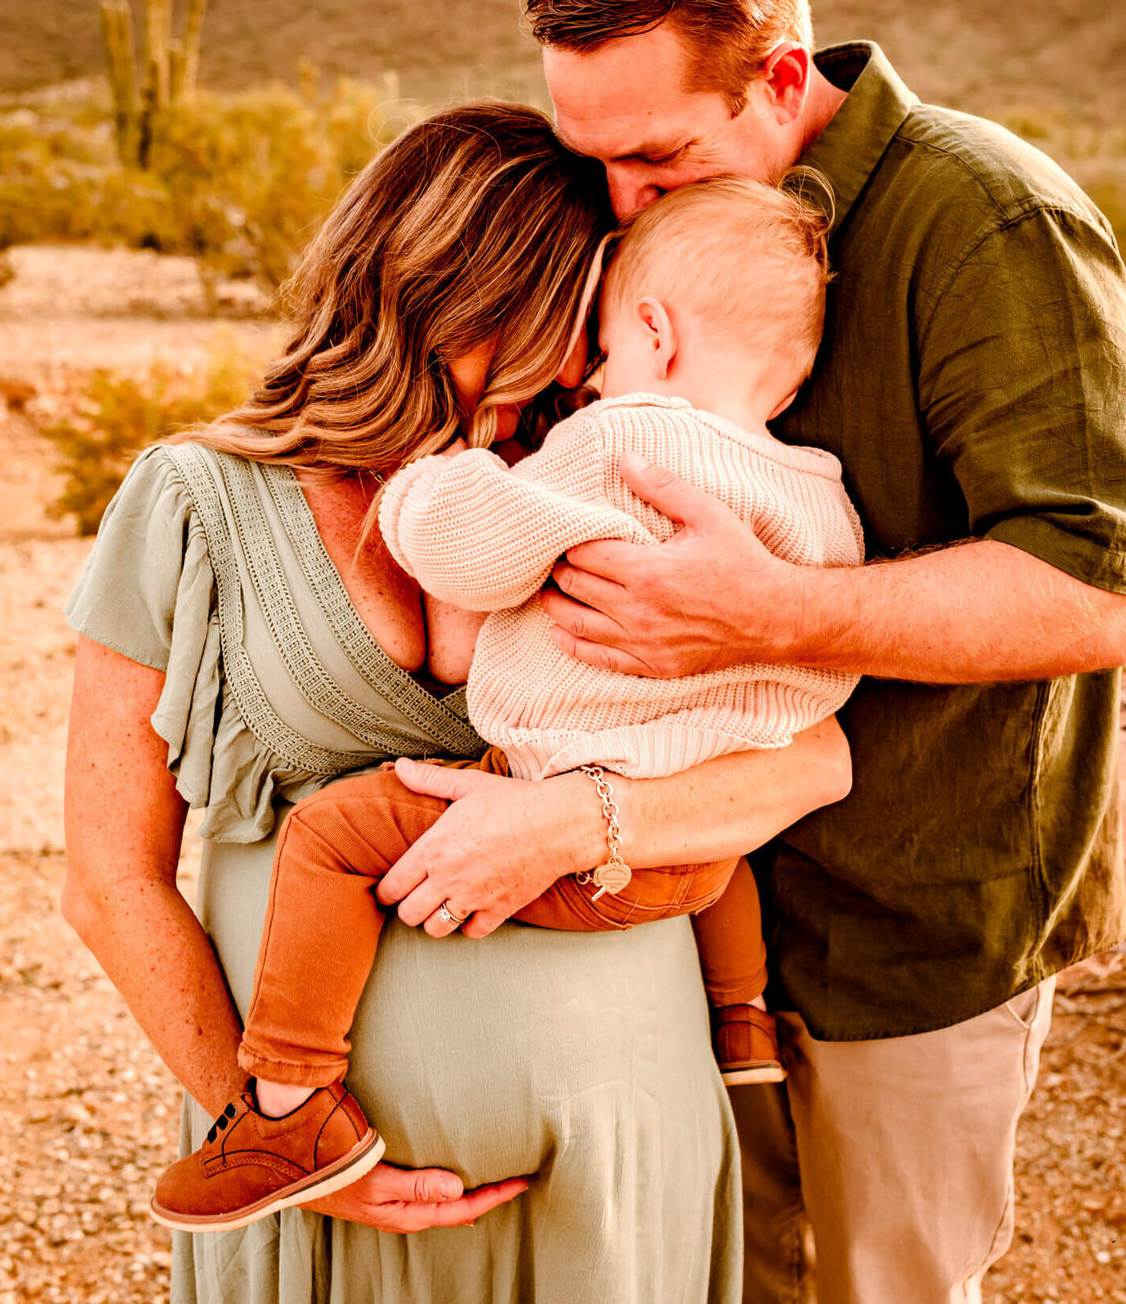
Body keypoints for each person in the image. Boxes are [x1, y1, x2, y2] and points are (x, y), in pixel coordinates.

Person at [62, 100, 851, 1304]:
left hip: (621, 1151)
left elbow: (807, 757)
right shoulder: (195, 500)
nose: (586, 368)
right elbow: (109, 876)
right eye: (564, 322)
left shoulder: (618, 480)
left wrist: (578, 820)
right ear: (455, 290)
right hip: (327, 1193)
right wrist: (277, 1131)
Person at [519, 0, 1126, 1304]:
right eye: (596, 160)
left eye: (659, 162)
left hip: (909, 933)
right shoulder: (642, 208)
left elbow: (1097, 586)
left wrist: (774, 614)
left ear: (782, 77)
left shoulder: (982, 221)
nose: (622, 203)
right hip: (683, 909)